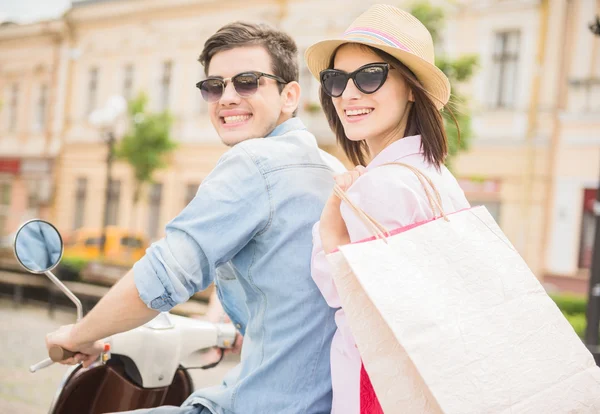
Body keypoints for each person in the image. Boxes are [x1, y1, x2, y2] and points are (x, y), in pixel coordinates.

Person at [45, 21, 345, 414]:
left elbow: (165, 273)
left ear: (290, 96)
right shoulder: (331, 168)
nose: (227, 97)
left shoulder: (254, 161)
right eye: (214, 86)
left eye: (248, 82)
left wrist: (80, 334)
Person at [306, 4, 471, 413]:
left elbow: (347, 297)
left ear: (412, 87)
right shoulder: (434, 176)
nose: (349, 93)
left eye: (370, 76)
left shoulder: (380, 187)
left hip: (378, 393)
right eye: (336, 79)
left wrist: (332, 232)